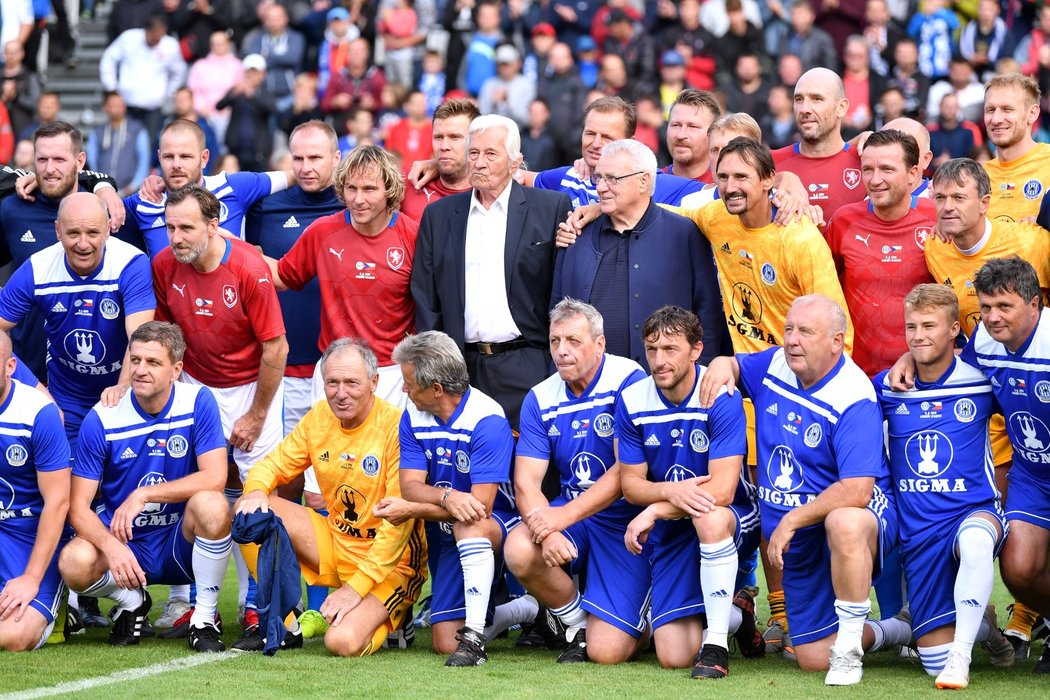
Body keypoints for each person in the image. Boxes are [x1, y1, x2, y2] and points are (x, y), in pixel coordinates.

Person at [699, 295, 908, 685]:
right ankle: (898, 629)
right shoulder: (776, 362)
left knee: (845, 522)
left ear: (836, 342)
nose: (792, 340)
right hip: (799, 534)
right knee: (812, 658)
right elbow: (735, 364)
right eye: (790, 329)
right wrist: (720, 364)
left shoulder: (853, 395)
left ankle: (848, 652)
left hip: (854, 514)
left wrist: (791, 519)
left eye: (806, 332)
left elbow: (858, 490)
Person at [150, 184, 288, 651]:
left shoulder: (248, 266)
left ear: (214, 225)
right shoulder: (165, 264)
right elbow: (169, 335)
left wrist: (255, 413)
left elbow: (276, 347)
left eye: (186, 227)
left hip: (252, 386)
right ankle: (187, 601)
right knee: (196, 490)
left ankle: (257, 607)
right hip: (195, 386)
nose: (176, 237)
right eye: (170, 227)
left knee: (255, 494)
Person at [925, 158, 1050, 655]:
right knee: (1019, 568)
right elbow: (962, 385)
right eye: (987, 306)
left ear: (1035, 305)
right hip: (1033, 473)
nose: (992, 317)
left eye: (1005, 308)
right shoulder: (985, 343)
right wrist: (909, 367)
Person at [235, 338, 426, 656]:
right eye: (332, 383)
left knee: (341, 642)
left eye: (352, 382)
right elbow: (272, 465)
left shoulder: (396, 427)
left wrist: (354, 590)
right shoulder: (319, 417)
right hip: (337, 544)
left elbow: (398, 527)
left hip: (393, 566)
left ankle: (396, 614)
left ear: (374, 382)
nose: (341, 393)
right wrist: (255, 490)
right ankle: (286, 625)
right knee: (249, 512)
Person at [59, 321, 233, 652]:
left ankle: (205, 618)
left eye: (153, 362)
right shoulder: (103, 418)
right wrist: (112, 547)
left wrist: (144, 493)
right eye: (135, 360)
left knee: (213, 504)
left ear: (176, 370)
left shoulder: (198, 401)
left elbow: (215, 477)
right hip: (125, 542)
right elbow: (77, 507)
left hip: (177, 541)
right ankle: (131, 599)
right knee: (73, 562)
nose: (140, 370)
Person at [873, 284, 1015, 688]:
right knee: (932, 659)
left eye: (929, 326)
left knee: (975, 544)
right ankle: (984, 630)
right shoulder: (887, 386)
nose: (918, 335)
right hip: (920, 533)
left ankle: (962, 658)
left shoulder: (983, 381)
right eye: (911, 327)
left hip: (974, 511)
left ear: (954, 329)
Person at [617, 306, 762, 677]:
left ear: (696, 350)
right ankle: (737, 616)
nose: (659, 360)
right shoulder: (633, 400)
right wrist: (670, 492)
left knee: (709, 517)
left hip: (732, 518)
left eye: (670, 349)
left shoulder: (719, 394)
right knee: (673, 656)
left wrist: (656, 509)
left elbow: (724, 489)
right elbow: (631, 485)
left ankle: (715, 646)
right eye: (652, 350)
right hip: (675, 531)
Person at [504, 299, 648, 664]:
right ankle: (577, 624)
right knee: (520, 548)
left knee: (609, 652)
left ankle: (651, 616)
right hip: (572, 515)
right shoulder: (540, 396)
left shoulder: (628, 379)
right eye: (555, 341)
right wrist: (548, 531)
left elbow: (625, 472)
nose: (562, 351)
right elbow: (526, 484)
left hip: (626, 520)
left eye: (573, 341)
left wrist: (561, 519)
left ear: (599, 344)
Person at [411, 114, 572, 430]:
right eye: (473, 153)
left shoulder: (550, 208)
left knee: (529, 466)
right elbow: (426, 297)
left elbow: (562, 288)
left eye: (490, 154)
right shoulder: (439, 216)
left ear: (515, 164)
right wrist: (435, 366)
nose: (479, 163)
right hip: (459, 366)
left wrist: (553, 362)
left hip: (528, 362)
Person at [384, 330, 518, 666]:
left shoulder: (487, 419)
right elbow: (410, 485)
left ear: (437, 389)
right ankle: (522, 609)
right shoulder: (412, 415)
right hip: (444, 527)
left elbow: (479, 509)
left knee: (468, 527)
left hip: (495, 526)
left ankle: (477, 636)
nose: (404, 390)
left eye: (409, 383)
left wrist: (413, 509)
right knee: (444, 641)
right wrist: (446, 496)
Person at [550, 139, 724, 370]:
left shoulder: (684, 234)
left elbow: (708, 315)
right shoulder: (575, 236)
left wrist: (702, 376)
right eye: (598, 178)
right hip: (591, 390)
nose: (601, 187)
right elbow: (557, 314)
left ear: (644, 181)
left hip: (667, 389)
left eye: (612, 178)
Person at [265, 145, 416, 409]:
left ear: (389, 190)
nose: (358, 199)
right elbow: (283, 276)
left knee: (389, 451)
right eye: (351, 188)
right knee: (331, 451)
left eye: (369, 189)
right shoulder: (323, 231)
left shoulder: (413, 234)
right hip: (335, 370)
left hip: (392, 372)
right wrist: (234, 249)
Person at [0, 192, 155, 447]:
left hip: (124, 394)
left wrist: (124, 387)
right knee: (73, 485)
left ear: (108, 230)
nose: (83, 244)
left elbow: (141, 337)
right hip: (65, 400)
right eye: (73, 233)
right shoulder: (37, 269)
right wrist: (36, 390)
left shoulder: (130, 263)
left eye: (93, 233)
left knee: (121, 485)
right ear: (58, 230)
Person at [823, 129, 936, 378]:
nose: (874, 180)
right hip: (857, 376)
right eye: (867, 170)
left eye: (886, 169)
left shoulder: (937, 219)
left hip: (923, 375)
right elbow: (824, 286)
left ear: (913, 174)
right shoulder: (844, 220)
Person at [122, 119, 292, 258]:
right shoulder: (144, 201)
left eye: (185, 156)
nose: (176, 165)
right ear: (159, 157)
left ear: (204, 158)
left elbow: (297, 176)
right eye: (168, 157)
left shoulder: (233, 187)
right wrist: (104, 187)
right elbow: (101, 210)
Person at [0, 329, 71, 651]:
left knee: (16, 636)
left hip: (29, 534)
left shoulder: (37, 413)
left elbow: (58, 502)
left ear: (11, 367)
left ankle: (53, 604)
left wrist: (30, 577)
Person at [772, 67, 866, 221]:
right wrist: (780, 178)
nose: (804, 109)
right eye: (799, 99)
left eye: (817, 99)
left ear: (841, 108)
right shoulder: (770, 163)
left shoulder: (866, 163)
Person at [99, 15, 187, 144]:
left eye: (159, 38)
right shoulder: (129, 38)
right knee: (124, 142)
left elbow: (179, 72)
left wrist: (168, 94)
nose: (155, 41)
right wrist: (112, 87)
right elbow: (108, 59)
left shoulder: (170, 45)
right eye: (153, 37)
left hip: (154, 108)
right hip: (127, 104)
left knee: (149, 143)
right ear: (146, 30)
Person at [982, 73, 1050, 224]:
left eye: (1007, 109)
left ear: (1032, 114)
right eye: (990, 110)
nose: (996, 119)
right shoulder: (979, 177)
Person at [399, 98, 479, 227]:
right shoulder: (409, 179)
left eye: (455, 137)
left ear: (476, 140)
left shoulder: (489, 191)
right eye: (438, 137)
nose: (444, 146)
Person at [86, 92, 150, 197]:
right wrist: (99, 184)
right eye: (113, 105)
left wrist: (133, 186)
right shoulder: (97, 131)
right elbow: (92, 160)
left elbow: (144, 161)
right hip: (103, 192)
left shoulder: (137, 129)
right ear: (105, 107)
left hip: (132, 193)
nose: (117, 108)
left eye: (120, 105)